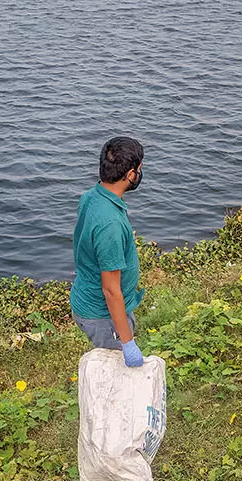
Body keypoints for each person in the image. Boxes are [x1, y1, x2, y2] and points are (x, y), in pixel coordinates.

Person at [69, 136, 147, 367]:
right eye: (140, 169)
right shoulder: (109, 225)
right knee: (116, 373)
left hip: (89, 297)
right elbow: (111, 290)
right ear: (130, 174)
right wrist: (127, 342)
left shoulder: (92, 197)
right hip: (102, 316)